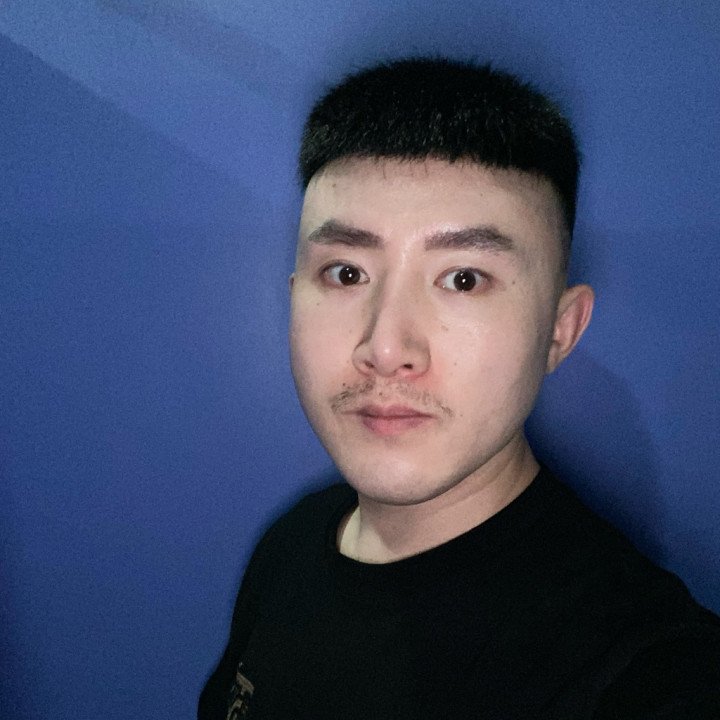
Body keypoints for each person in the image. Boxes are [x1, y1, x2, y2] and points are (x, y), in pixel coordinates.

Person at [198, 57, 720, 719]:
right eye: (347, 274)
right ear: (294, 296)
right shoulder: (291, 544)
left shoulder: (643, 665)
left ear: (560, 330)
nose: (387, 349)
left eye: (464, 279)